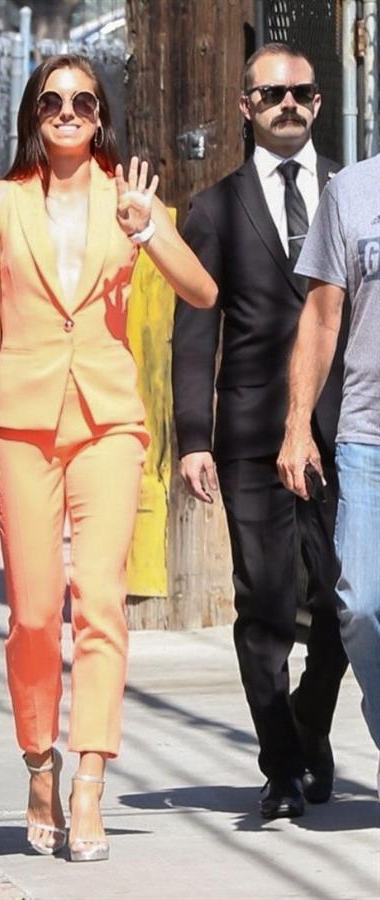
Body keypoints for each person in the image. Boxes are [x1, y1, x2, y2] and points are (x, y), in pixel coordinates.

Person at [0, 53, 216, 861]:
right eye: (52, 101)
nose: (67, 112)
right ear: (33, 113)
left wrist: (150, 230)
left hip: (109, 422)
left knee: (99, 605)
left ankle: (90, 782)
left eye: (83, 101)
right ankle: (40, 759)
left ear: (102, 115)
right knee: (35, 614)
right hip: (23, 424)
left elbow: (203, 291)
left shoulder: (130, 199)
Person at [172, 43, 349, 820]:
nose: (288, 103)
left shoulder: (355, 196)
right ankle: (281, 767)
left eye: (302, 92)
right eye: (271, 92)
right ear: (245, 106)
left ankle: (308, 719)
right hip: (247, 436)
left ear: (318, 102)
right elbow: (193, 329)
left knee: (352, 604)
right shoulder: (212, 209)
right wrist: (192, 436)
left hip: (348, 430)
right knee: (268, 603)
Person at [278, 152, 380, 799]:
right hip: (366, 436)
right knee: (361, 606)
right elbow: (320, 315)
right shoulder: (352, 190)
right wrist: (296, 426)